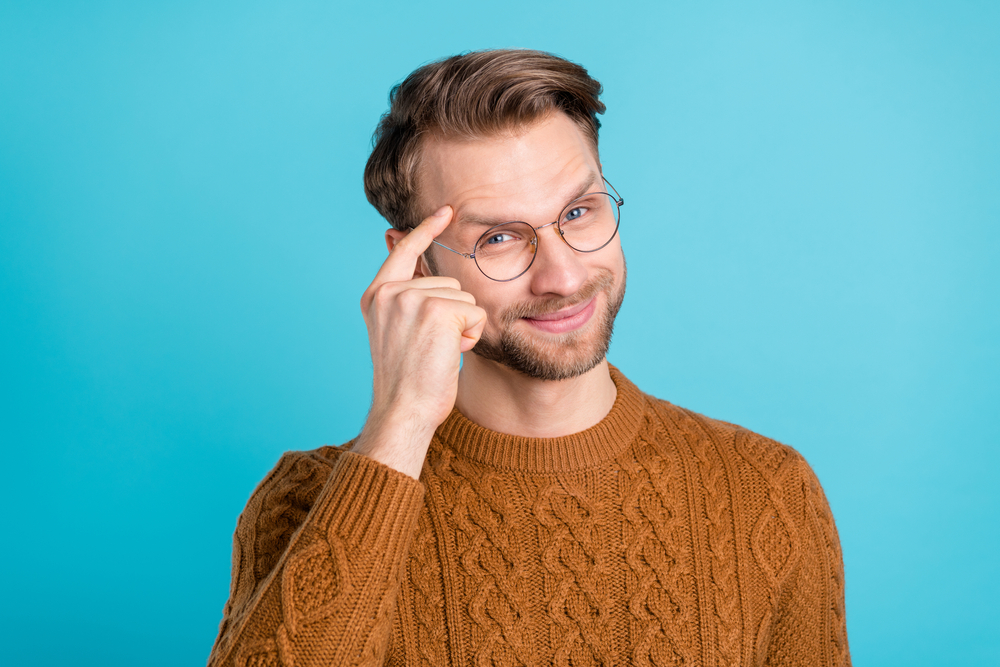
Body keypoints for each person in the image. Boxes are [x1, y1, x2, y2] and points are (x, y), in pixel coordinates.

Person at [206, 49, 850, 667]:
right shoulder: (308, 503)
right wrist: (399, 428)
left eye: (578, 210)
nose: (564, 276)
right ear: (414, 261)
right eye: (499, 238)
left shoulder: (766, 490)